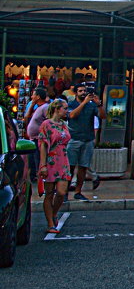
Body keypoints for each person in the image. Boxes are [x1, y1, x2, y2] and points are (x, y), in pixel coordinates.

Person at [38, 100, 72, 233]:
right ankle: (50, 223)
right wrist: (43, 165)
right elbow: (43, 145)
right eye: (64, 108)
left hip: (63, 160)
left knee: (61, 192)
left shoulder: (64, 124)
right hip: (51, 160)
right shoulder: (46, 124)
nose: (66, 111)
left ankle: (53, 213)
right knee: (49, 193)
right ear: (57, 109)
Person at [67, 82, 104, 200]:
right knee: (71, 167)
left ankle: (78, 191)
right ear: (76, 93)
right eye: (80, 91)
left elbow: (103, 116)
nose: (83, 93)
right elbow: (72, 115)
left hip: (87, 139)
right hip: (74, 138)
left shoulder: (91, 105)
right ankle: (65, 192)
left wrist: (99, 105)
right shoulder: (71, 104)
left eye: (84, 91)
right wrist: (84, 103)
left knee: (83, 166)